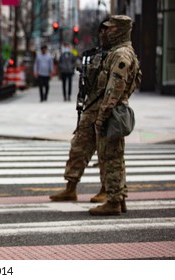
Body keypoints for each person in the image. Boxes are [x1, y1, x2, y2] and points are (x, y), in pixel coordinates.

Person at [49, 20, 111, 204]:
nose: (103, 35)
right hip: (90, 109)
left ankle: (107, 189)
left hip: (106, 111)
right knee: (78, 149)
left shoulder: (119, 55)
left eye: (107, 31)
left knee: (106, 154)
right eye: (102, 31)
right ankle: (70, 188)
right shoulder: (97, 55)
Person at [89, 15, 142, 216]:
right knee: (115, 157)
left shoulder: (121, 55)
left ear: (120, 30)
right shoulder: (121, 52)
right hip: (115, 110)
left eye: (111, 29)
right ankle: (119, 198)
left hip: (113, 112)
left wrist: (102, 116)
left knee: (110, 157)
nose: (107, 32)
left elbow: (114, 90)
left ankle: (113, 201)